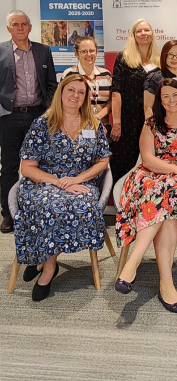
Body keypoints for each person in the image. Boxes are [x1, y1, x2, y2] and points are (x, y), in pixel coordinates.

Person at [115, 79, 177, 313]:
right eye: (165, 97)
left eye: (175, 95)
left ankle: (133, 262)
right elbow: (148, 159)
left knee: (168, 196)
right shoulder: (151, 124)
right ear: (160, 101)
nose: (171, 100)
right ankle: (166, 284)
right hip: (151, 177)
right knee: (165, 200)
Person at [14, 74, 111, 301]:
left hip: (81, 182)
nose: (75, 96)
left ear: (86, 97)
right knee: (49, 205)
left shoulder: (93, 125)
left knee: (79, 206)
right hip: (44, 183)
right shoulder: (42, 124)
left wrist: (77, 180)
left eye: (81, 92)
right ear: (61, 92)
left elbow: (102, 161)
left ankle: (45, 265)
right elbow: (27, 168)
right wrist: (58, 183)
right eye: (71, 90)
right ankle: (49, 266)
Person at [0, 10, 57, 233]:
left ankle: (37, 208)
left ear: (30, 27)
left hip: (37, 116)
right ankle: (8, 214)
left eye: (24, 24)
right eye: (16, 24)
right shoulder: (1, 52)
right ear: (8, 28)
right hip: (10, 117)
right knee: (10, 167)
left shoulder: (43, 51)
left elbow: (52, 84)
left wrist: (47, 112)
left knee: (39, 165)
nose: (20, 28)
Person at [110, 18, 160, 183]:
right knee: (125, 161)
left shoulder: (159, 59)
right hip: (128, 120)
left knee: (150, 162)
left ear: (152, 33)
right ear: (133, 35)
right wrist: (116, 122)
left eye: (146, 30)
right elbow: (116, 92)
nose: (143, 34)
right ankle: (121, 202)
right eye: (139, 31)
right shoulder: (123, 58)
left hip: (152, 120)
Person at [62, 36, 112, 129]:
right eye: (84, 51)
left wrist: (97, 118)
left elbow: (111, 101)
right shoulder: (70, 74)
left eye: (92, 50)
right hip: (77, 127)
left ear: (97, 52)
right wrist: (89, 122)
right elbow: (64, 103)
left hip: (103, 127)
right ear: (77, 53)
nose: (89, 54)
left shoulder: (106, 74)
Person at [143, 40, 177, 118]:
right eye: (170, 54)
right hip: (162, 125)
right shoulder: (154, 79)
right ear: (164, 56)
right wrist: (151, 127)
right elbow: (148, 108)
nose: (174, 58)